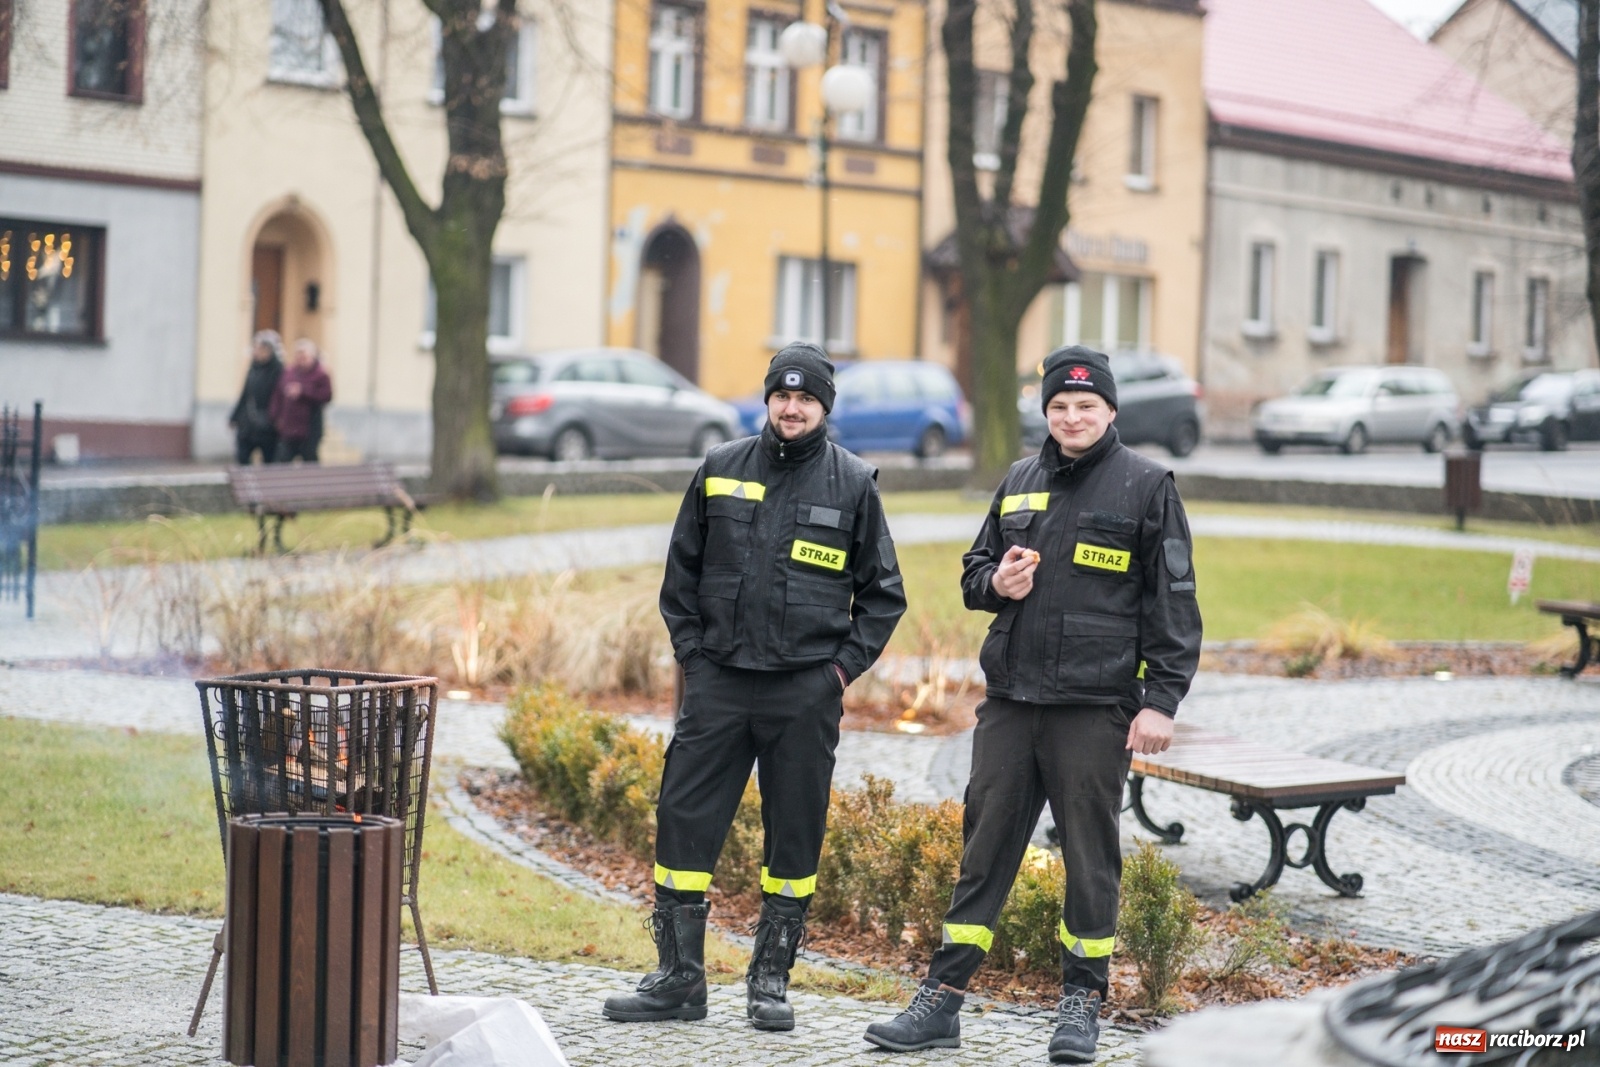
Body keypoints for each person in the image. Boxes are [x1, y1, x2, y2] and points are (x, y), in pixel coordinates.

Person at [863, 345, 1202, 1064]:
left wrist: (1161, 701)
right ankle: (942, 1001)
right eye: (1058, 407)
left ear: (1110, 410)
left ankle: (1081, 1003)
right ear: (1045, 413)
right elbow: (973, 571)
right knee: (983, 850)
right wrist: (997, 584)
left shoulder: (1147, 486)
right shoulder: (1019, 479)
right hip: (1013, 701)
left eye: (1085, 406)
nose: (1071, 417)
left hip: (1095, 704)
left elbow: (1172, 604)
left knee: (1090, 854)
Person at [603, 342, 907, 1032]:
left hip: (803, 692)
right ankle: (679, 978)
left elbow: (884, 597)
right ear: (768, 400)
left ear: (824, 406)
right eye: (781, 395)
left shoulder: (854, 484)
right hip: (720, 685)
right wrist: (694, 661)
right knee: (683, 821)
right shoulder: (719, 469)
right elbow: (680, 579)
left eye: (805, 398)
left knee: (793, 840)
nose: (792, 407)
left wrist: (834, 675)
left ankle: (770, 979)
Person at [269, 339, 333, 463]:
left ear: (312, 356)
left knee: (309, 462)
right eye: (298, 355)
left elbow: (326, 396)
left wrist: (303, 391)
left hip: (309, 429)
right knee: (281, 461)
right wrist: (275, 416)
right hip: (289, 428)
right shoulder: (289, 372)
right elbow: (277, 395)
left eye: (304, 356)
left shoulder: (321, 374)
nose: (300, 359)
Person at [228, 331, 284, 465]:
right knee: (242, 457)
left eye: (258, 348)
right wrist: (234, 416)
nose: (255, 352)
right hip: (248, 424)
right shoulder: (253, 369)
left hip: (268, 425)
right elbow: (245, 395)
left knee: (268, 460)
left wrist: (274, 418)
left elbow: (279, 398)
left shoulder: (278, 371)